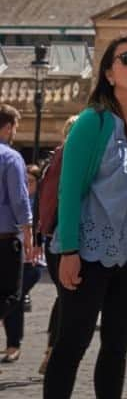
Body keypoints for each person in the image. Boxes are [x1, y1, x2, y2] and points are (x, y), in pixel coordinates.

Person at [45, 33, 127, 399]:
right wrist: (68, 250)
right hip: (88, 249)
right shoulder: (93, 122)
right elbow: (71, 191)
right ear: (109, 74)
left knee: (117, 347)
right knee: (72, 344)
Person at [35, 114, 79, 377]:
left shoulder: (54, 159)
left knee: (64, 297)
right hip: (65, 237)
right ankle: (56, 354)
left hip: (52, 235)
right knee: (69, 298)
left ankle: (52, 351)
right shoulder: (71, 158)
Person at [0, 105, 34, 348]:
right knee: (11, 294)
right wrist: (28, 230)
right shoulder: (11, 158)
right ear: (8, 126)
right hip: (5, 237)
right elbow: (20, 199)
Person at [2, 162, 42, 362]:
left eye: (31, 181)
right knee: (12, 300)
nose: (27, 185)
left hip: (32, 262)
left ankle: (13, 345)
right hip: (13, 257)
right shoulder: (12, 200)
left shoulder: (40, 204)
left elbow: (41, 228)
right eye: (24, 182)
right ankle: (12, 344)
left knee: (14, 300)